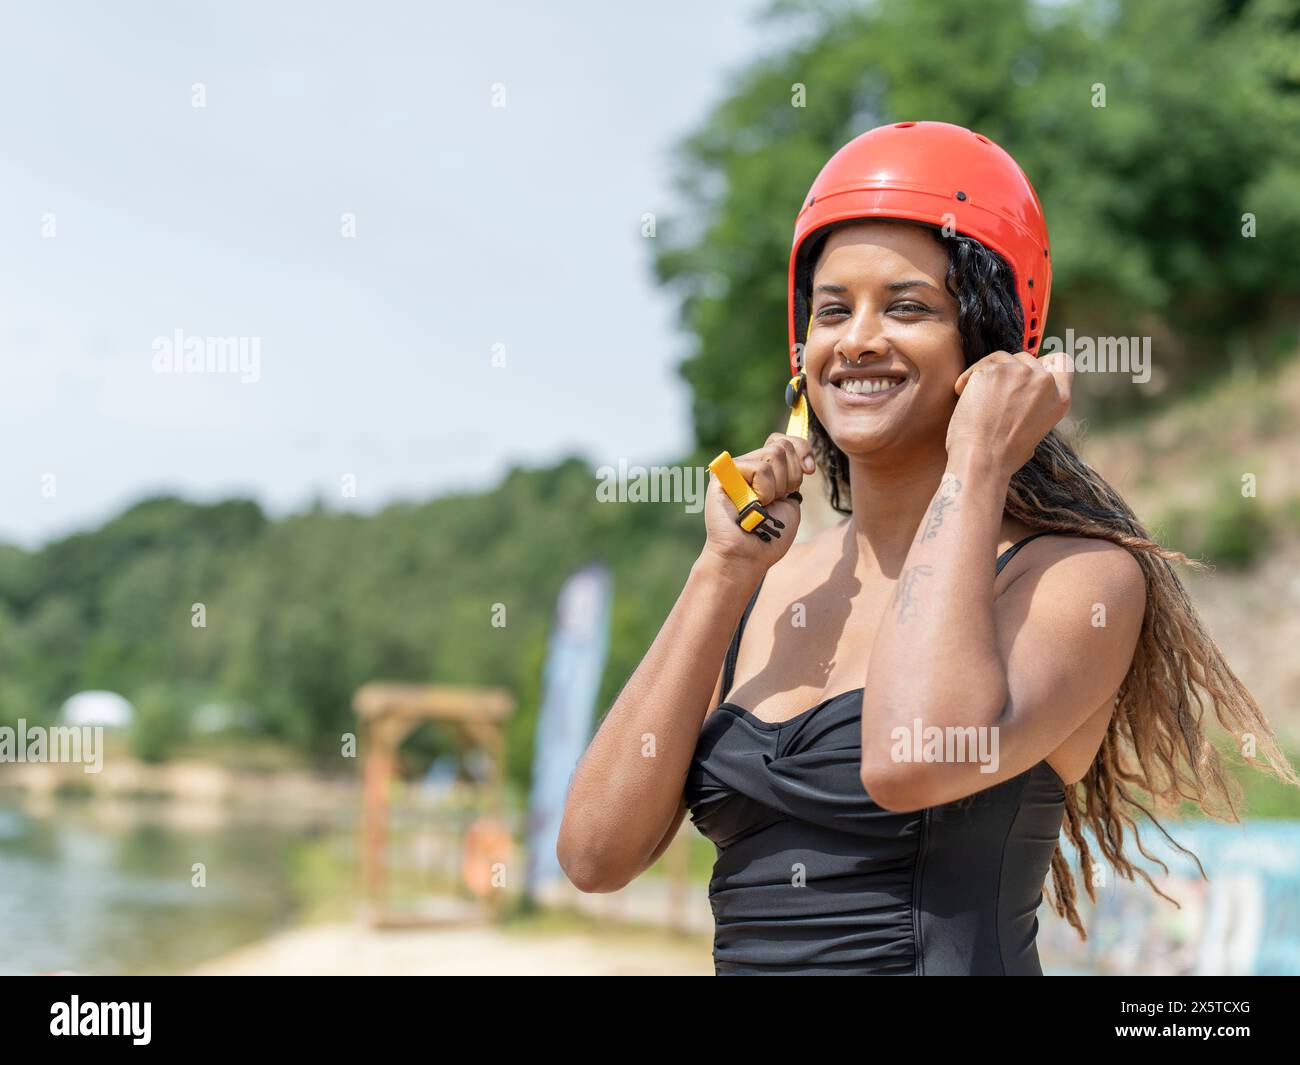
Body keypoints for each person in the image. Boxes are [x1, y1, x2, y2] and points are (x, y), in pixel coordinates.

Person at [557, 121, 1298, 975]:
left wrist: (980, 461)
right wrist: (720, 569)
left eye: (907, 306)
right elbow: (593, 854)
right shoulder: (760, 579)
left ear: (985, 345)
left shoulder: (1076, 577)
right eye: (832, 309)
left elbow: (911, 757)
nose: (858, 338)